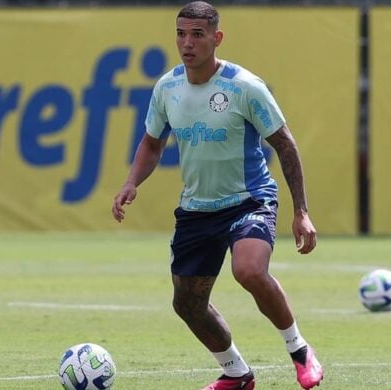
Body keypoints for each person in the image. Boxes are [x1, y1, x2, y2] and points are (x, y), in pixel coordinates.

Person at [111, 2, 323, 389]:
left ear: (216, 38)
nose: (187, 43)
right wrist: (131, 182)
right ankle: (237, 373)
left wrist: (301, 211)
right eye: (180, 34)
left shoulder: (245, 87)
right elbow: (152, 143)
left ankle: (300, 351)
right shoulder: (167, 88)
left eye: (196, 34)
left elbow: (285, 145)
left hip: (249, 199)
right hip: (197, 210)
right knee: (187, 304)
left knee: (249, 270)